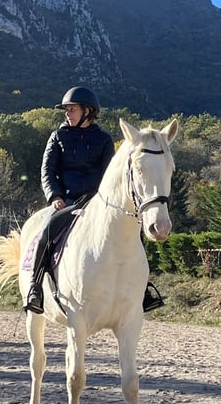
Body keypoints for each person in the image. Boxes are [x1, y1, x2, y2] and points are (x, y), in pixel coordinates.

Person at [23, 86, 165, 315]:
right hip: (66, 200)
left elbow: (111, 175)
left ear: (88, 111)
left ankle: (142, 290)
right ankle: (35, 287)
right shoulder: (58, 136)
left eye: (72, 109)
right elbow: (47, 171)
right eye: (67, 110)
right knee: (48, 230)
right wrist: (55, 196)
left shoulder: (103, 139)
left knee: (133, 231)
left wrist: (104, 199)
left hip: (96, 201)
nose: (67, 113)